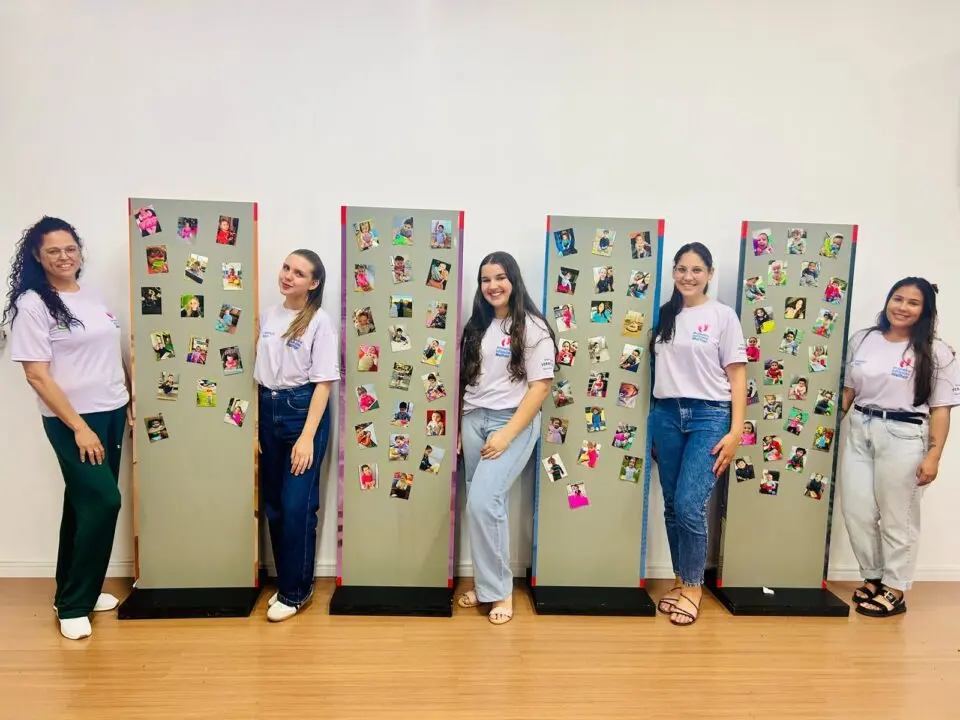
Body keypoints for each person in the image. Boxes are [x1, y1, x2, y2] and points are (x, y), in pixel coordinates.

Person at [4, 216, 132, 640]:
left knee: (83, 504)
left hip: (111, 411)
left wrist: (129, 398)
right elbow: (36, 375)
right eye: (53, 251)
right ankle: (75, 605)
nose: (64, 257)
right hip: (73, 420)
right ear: (37, 256)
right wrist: (78, 427)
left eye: (70, 248)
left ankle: (75, 590)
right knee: (104, 502)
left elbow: (113, 350)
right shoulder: (33, 304)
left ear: (79, 251)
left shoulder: (90, 295)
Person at [840, 277, 959, 617]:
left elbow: (941, 410)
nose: (902, 307)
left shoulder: (937, 351)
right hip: (860, 428)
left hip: (904, 436)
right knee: (857, 511)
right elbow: (848, 391)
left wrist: (934, 456)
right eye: (898, 298)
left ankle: (895, 588)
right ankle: (874, 577)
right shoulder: (863, 339)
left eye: (913, 302)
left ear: (925, 310)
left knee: (898, 517)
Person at [648, 242, 747, 626]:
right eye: (681, 269)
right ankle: (680, 580)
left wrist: (735, 432)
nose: (688, 276)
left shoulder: (723, 316)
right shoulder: (665, 315)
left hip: (709, 416)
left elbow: (737, 376)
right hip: (666, 414)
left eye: (696, 270)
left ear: (709, 274)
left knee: (690, 504)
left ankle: (693, 587)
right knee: (673, 505)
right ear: (673, 272)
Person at [456, 251, 556, 625]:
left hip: (511, 422)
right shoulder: (476, 325)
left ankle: (500, 591)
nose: (493, 285)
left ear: (513, 280)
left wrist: (506, 435)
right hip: (473, 419)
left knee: (484, 502)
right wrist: (460, 427)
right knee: (481, 506)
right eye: (486, 279)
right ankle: (487, 586)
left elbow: (540, 387)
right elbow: (466, 380)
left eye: (500, 277)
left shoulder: (533, 327)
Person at [254, 249, 339, 622]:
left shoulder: (319, 322)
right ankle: (288, 581)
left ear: (313, 283)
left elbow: (324, 384)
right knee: (274, 504)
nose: (288, 276)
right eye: (286, 267)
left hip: (303, 412)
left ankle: (296, 591)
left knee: (297, 506)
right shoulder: (267, 316)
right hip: (267, 409)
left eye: (299, 273)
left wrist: (306, 438)